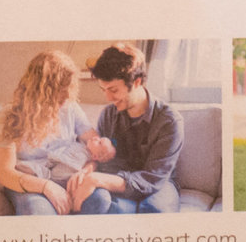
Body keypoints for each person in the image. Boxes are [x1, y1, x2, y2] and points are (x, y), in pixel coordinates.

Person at [67, 43, 184, 214]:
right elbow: (101, 158)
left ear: (137, 82)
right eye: (104, 90)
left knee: (154, 210)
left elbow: (153, 178)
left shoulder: (169, 121)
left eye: (113, 90)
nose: (108, 98)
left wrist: (96, 179)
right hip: (117, 177)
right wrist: (87, 169)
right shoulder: (108, 114)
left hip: (157, 183)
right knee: (109, 207)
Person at [0, 51, 107, 215]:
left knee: (101, 199)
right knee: (38, 211)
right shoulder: (9, 116)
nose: (67, 95)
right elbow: (5, 173)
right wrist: (46, 186)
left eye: (70, 88)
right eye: (61, 89)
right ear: (40, 88)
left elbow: (99, 147)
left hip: (67, 175)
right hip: (30, 181)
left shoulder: (70, 107)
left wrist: (86, 170)